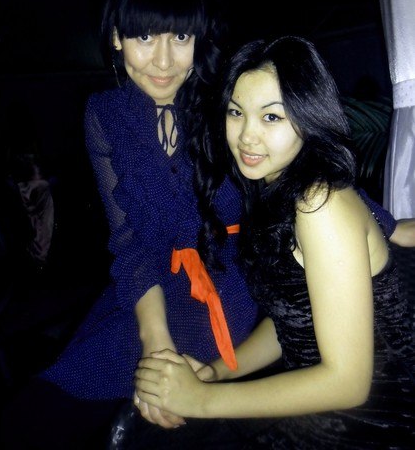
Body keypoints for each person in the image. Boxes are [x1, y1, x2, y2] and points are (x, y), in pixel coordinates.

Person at [0, 0, 261, 449]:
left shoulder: (231, 101)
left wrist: (379, 224)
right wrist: (155, 347)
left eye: (180, 38)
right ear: (117, 37)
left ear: (199, 38)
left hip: (224, 294)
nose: (163, 61)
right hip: (144, 296)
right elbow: (129, 242)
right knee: (28, 418)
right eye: (144, 37)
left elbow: (297, 177)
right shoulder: (105, 114)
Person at [134, 36, 415, 448]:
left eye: (271, 117)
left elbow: (349, 383)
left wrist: (202, 399)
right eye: (236, 112)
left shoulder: (320, 204)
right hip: (320, 414)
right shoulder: (272, 190)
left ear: (308, 117)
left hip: (371, 426)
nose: (247, 136)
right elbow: (294, 317)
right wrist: (217, 371)